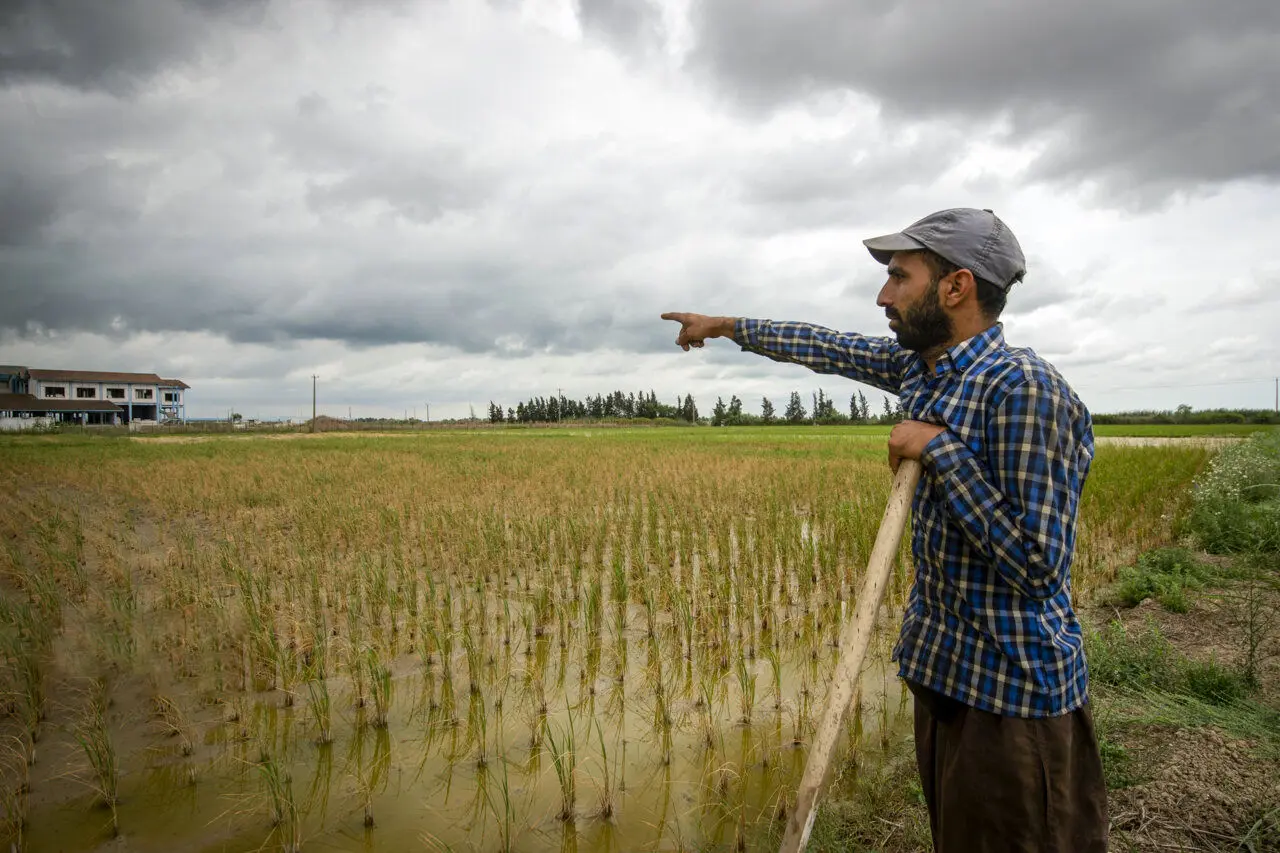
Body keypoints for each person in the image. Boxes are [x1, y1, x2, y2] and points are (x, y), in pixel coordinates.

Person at [661, 208, 1108, 853]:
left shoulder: (1023, 391)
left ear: (955, 287)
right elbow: (830, 347)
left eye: (899, 277)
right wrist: (727, 326)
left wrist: (940, 451)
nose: (882, 295)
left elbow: (1039, 566)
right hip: (947, 678)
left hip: (1011, 702)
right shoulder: (924, 369)